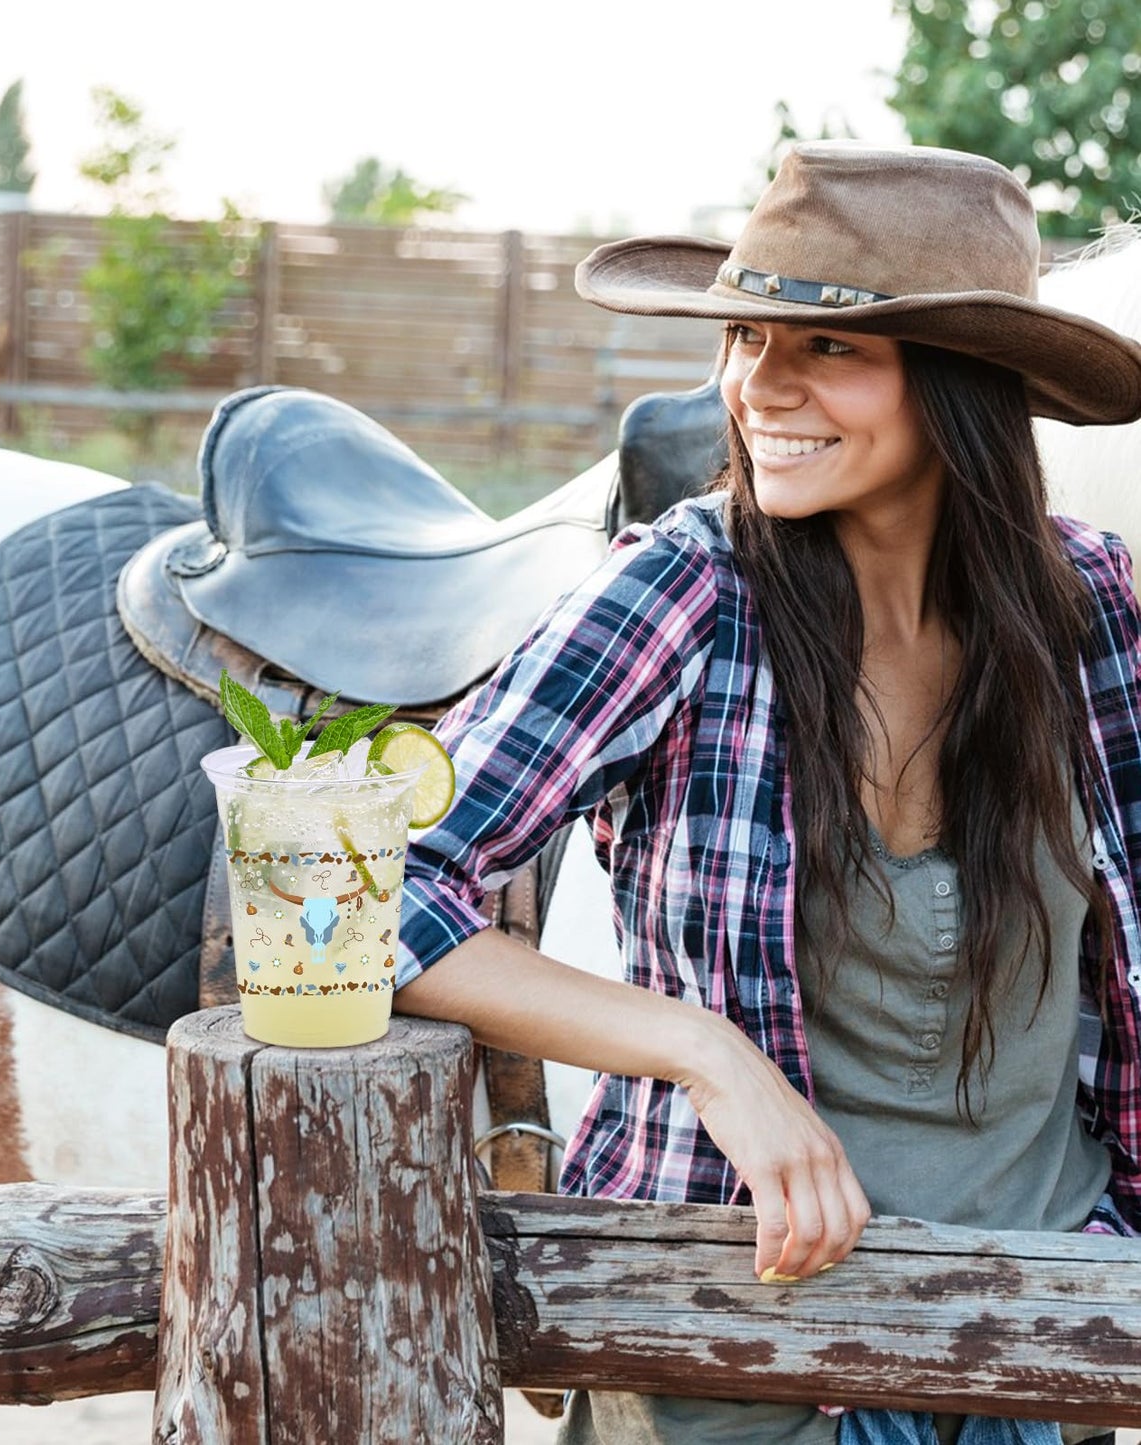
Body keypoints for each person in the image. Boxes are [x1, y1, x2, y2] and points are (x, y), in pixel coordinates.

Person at [393, 143, 1141, 1445]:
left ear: (960, 381)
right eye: (744, 335)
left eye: (827, 347)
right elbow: (362, 898)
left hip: (1039, 1346)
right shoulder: (686, 593)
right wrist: (704, 1051)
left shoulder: (1092, 610)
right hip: (735, 1359)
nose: (756, 384)